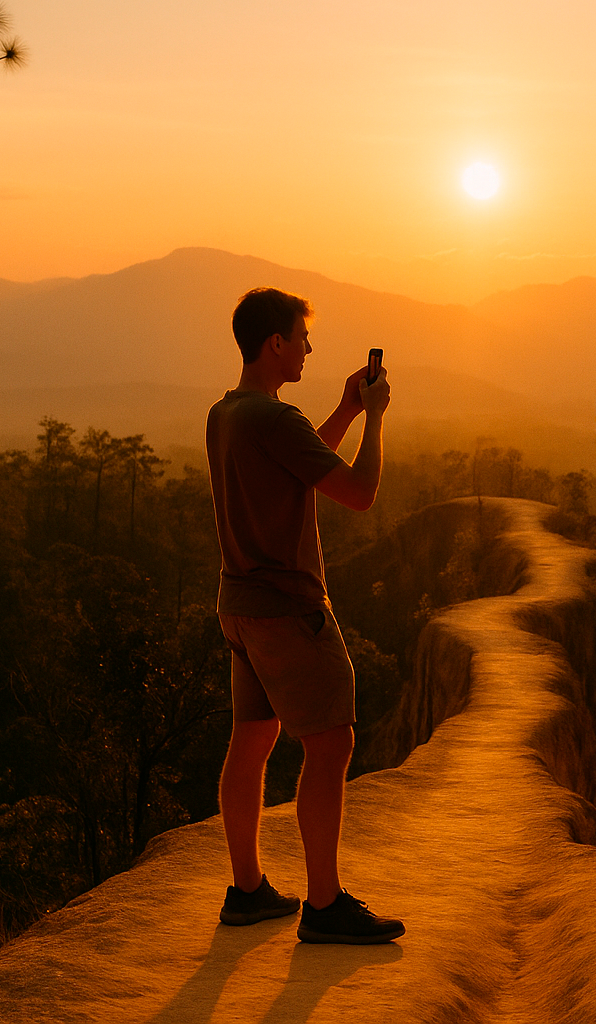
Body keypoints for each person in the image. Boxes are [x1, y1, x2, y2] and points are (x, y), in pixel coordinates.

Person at [205, 286, 404, 943]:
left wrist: (345, 408)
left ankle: (248, 890)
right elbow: (360, 493)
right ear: (276, 345)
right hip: (290, 609)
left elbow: (296, 463)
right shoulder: (273, 420)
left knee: (251, 741)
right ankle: (324, 906)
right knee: (332, 743)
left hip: (240, 607)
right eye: (303, 337)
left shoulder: (228, 414)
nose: (311, 349)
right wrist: (376, 417)